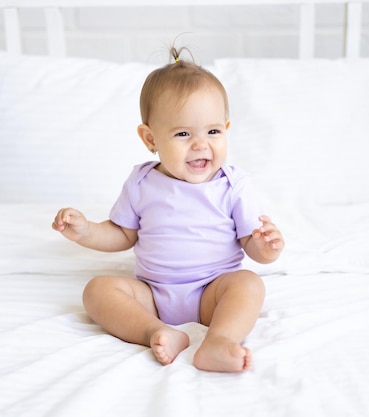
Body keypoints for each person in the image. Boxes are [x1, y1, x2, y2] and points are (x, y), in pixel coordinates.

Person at [52, 46, 284, 373]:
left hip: (212, 293)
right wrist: (87, 231)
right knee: (97, 291)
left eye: (213, 131)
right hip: (154, 296)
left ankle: (219, 340)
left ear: (226, 129)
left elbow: (252, 244)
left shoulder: (233, 185)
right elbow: (121, 234)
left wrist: (266, 247)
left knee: (249, 284)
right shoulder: (142, 182)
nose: (201, 144)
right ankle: (155, 331)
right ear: (150, 139)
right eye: (183, 133)